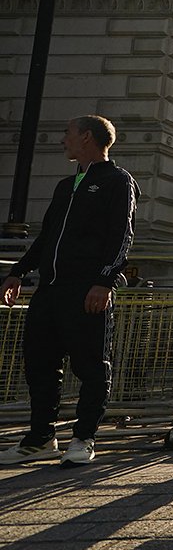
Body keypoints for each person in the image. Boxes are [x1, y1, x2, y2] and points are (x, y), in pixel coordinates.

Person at [0, 115, 139, 466]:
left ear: (87, 138)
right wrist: (17, 273)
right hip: (50, 290)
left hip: (88, 289)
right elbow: (46, 237)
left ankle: (84, 437)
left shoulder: (118, 181)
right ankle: (41, 438)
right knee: (39, 364)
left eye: (68, 133)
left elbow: (122, 236)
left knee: (91, 365)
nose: (63, 140)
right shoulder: (66, 185)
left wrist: (104, 281)